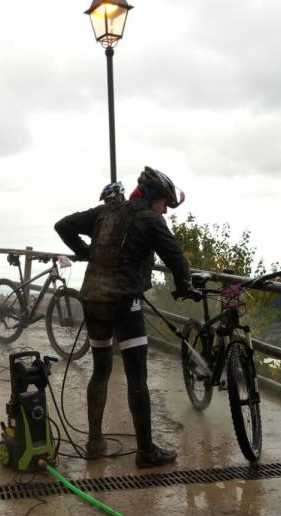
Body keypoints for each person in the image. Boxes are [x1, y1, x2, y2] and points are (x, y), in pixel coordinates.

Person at [54, 167, 195, 468]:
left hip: (93, 300)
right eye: (165, 205)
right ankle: (145, 452)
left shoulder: (105, 212)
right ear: (156, 199)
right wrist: (185, 288)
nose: (166, 211)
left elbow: (63, 225)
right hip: (124, 303)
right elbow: (176, 260)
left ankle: (94, 442)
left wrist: (85, 252)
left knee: (101, 370)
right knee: (137, 379)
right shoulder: (150, 220)